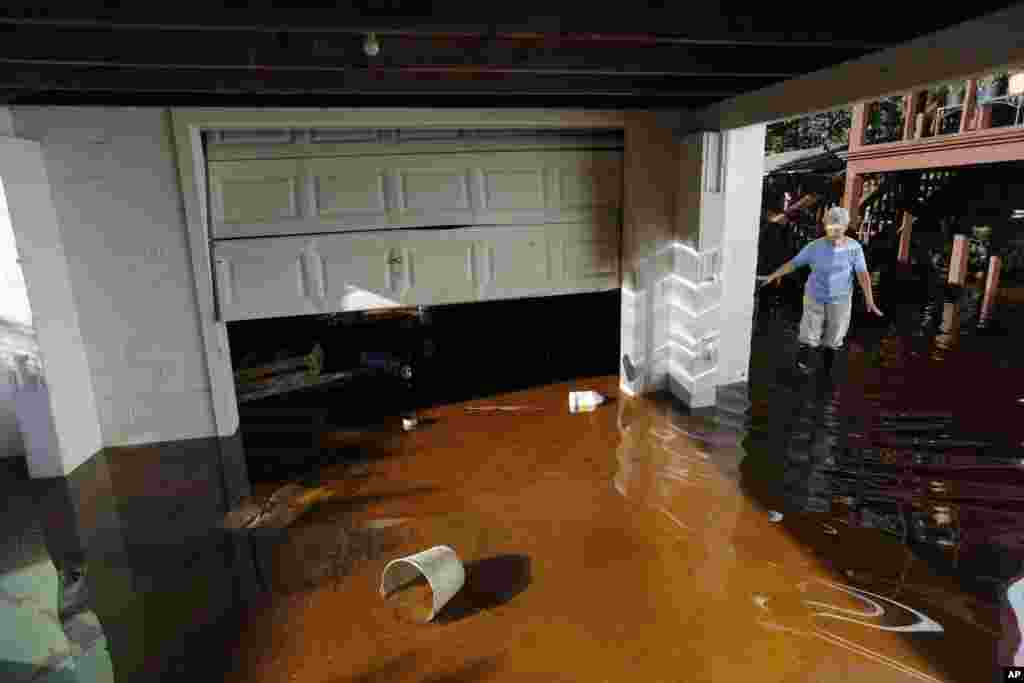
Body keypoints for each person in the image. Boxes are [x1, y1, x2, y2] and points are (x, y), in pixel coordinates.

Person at [758, 206, 884, 375]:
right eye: (830, 227)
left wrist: (870, 299)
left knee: (834, 337)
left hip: (840, 298)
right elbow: (794, 264)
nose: (834, 231)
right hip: (815, 295)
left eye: (838, 227)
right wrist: (773, 276)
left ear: (845, 227)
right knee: (810, 334)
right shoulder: (814, 247)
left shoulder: (854, 248)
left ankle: (826, 371)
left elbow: (862, 274)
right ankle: (802, 363)